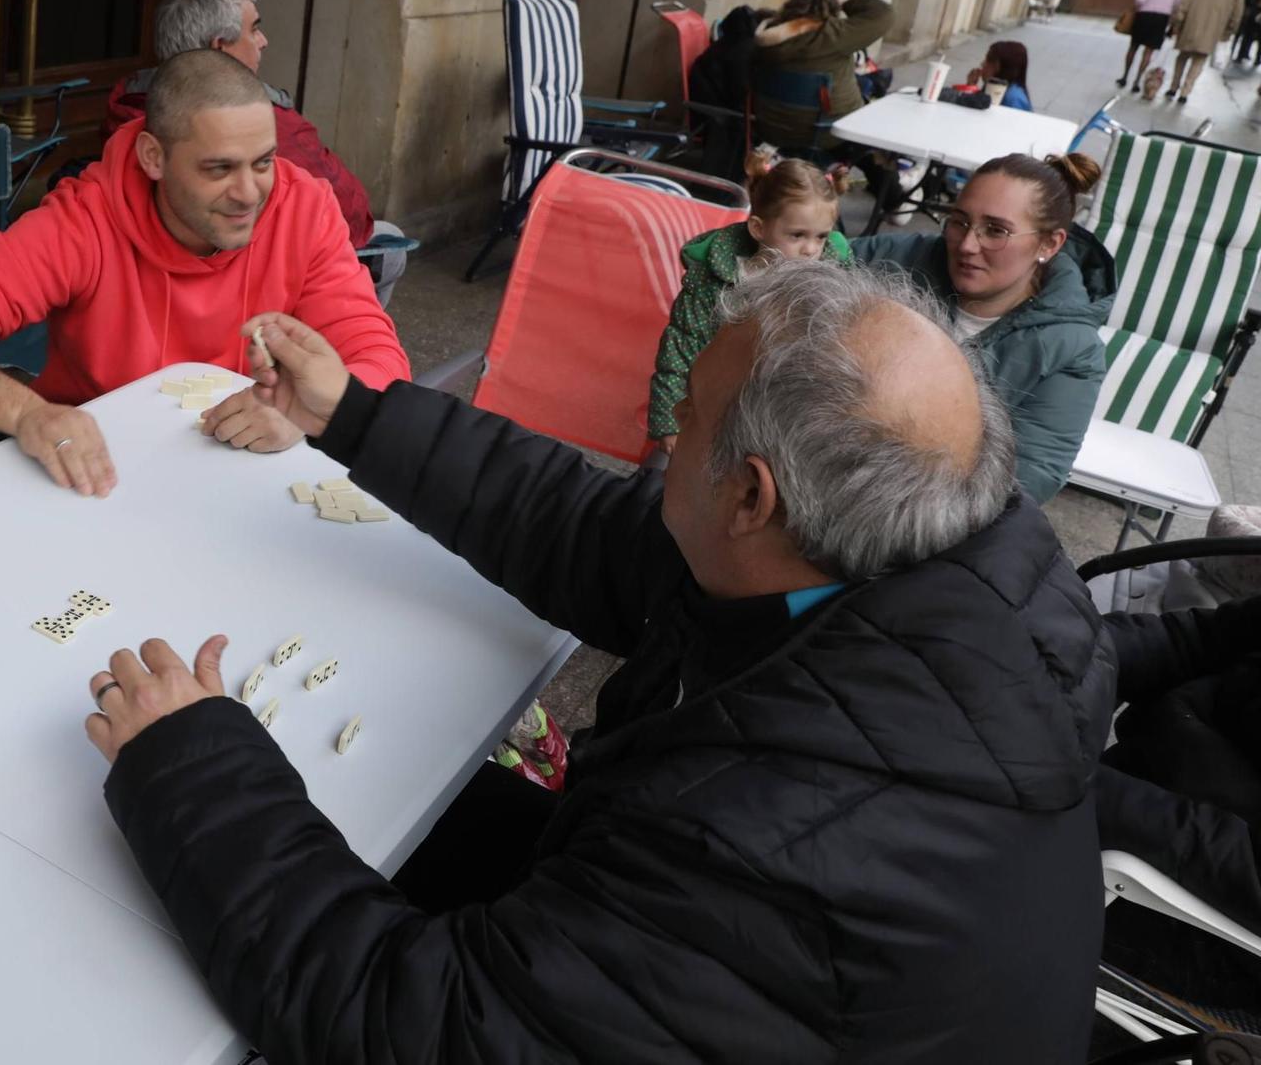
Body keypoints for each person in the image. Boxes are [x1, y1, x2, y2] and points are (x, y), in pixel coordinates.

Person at [83, 261, 1112, 1060]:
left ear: (751, 497)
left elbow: (413, 1030)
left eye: (689, 415)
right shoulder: (928, 553)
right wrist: (352, 413)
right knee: (404, 798)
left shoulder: (755, 851)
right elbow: (591, 534)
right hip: (763, 975)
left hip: (728, 966)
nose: (664, 427)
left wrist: (186, 764)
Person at [0, 49, 409, 498]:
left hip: (248, 483)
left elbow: (381, 358)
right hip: (101, 477)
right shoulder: (86, 219)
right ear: (153, 157)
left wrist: (307, 410)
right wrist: (28, 413)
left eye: (262, 162)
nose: (250, 193)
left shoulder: (304, 207)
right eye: (219, 168)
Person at [855, 152, 1112, 504]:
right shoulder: (899, 258)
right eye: (959, 222)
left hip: (924, 514)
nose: (967, 245)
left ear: (1049, 244)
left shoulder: (1070, 348)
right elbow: (808, 259)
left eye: (996, 231)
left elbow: (1029, 479)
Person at [106, 0, 375, 249]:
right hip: (254, 264)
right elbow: (350, 216)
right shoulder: (263, 120)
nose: (264, 41)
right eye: (254, 29)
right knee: (386, 243)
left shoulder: (130, 102)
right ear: (220, 47)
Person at [648, 156, 849, 453]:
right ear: (758, 228)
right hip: (715, 400)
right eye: (797, 235)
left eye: (821, 237)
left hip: (781, 415)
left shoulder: (831, 278)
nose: (811, 250)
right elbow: (680, 347)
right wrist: (668, 421)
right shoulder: (715, 279)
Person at [1100, 591, 1261, 935]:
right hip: (1134, 779)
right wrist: (1085, 650)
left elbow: (1243, 867)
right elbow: (1202, 637)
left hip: (1192, 915)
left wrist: (1085, 794)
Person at [750, 0, 894, 149]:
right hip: (828, 133)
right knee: (875, 82)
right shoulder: (834, 34)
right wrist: (843, 3)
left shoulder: (766, 36)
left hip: (771, 129)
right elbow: (885, 14)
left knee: (866, 82)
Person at [1170, 0, 1247, 104]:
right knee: (1198, 61)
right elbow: (1237, 15)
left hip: (1191, 27)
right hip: (1213, 31)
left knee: (1182, 57)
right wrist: (1229, 31)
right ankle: (1185, 92)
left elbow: (1184, 5)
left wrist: (1177, 23)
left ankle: (1173, 87)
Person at [1120, 0, 1187, 92]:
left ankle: (1125, 76)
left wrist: (1140, 7)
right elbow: (1178, 4)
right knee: (1148, 51)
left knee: (1133, 46)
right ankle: (1137, 81)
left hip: (1143, 15)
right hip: (1162, 19)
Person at [966, 39, 1033, 110]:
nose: (982, 64)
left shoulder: (1013, 99)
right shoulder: (996, 89)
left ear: (1002, 67)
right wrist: (971, 86)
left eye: (989, 60)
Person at [1236, 0, 1261, 66]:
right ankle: (1257, 59)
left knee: (1247, 37)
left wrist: (1252, 5)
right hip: (1254, 15)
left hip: (1254, 14)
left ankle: (1241, 55)